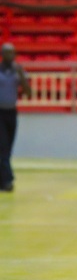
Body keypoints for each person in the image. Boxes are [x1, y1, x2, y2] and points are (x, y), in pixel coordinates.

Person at [0, 43, 31, 191]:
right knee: (3, 146)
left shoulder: (18, 71)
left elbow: (28, 92)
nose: (9, 56)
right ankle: (8, 180)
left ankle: (2, 178)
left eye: (12, 53)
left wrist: (21, 76)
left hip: (11, 112)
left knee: (8, 147)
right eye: (7, 53)